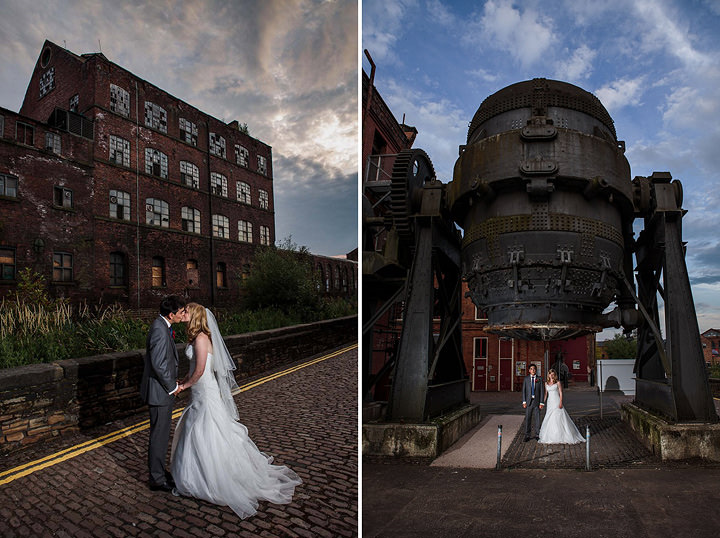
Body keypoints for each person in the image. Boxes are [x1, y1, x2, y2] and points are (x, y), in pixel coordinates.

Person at [170, 303, 302, 519]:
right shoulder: (196, 338)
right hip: (200, 391)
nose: (183, 313)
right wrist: (183, 381)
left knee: (208, 430)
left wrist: (184, 386)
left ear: (195, 316)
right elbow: (194, 369)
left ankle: (212, 479)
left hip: (205, 392)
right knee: (197, 429)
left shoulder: (202, 338)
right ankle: (195, 474)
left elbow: (201, 370)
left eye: (186, 311)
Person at [140, 295, 187, 492]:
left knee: (161, 434)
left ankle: (159, 472)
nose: (183, 315)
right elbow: (159, 364)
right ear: (171, 314)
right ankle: (157, 479)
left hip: (162, 390)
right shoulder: (160, 330)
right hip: (160, 393)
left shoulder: (162, 325)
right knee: (159, 436)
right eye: (181, 312)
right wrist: (172, 387)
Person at [538, 369, 586, 444]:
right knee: (549, 417)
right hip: (550, 402)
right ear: (548, 375)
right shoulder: (546, 383)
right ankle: (551, 435)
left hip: (556, 401)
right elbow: (545, 394)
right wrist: (542, 403)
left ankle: (562, 435)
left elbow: (560, 393)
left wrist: (560, 402)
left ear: (555, 375)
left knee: (558, 416)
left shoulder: (558, 382)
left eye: (553, 374)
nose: (552, 375)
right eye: (550, 374)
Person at [521, 364, 545, 442]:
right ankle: (527, 435)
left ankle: (537, 434)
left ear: (536, 370)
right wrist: (524, 401)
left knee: (537, 419)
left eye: (534, 369)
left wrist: (541, 402)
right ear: (529, 370)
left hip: (537, 402)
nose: (533, 370)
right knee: (528, 418)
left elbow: (542, 391)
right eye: (531, 369)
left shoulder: (540, 379)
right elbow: (524, 391)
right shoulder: (526, 379)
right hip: (528, 402)